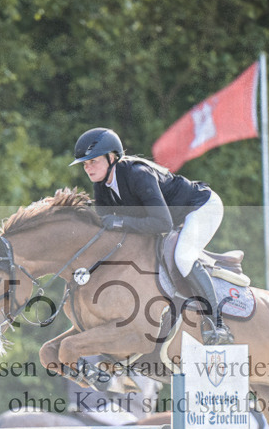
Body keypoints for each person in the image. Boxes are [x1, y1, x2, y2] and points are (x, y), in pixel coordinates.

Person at [70, 127, 233, 345]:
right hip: (172, 217)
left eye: (93, 161)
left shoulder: (139, 175)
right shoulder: (101, 185)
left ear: (112, 158)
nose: (88, 168)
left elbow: (162, 223)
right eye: (84, 164)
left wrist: (120, 221)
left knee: (183, 257)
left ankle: (217, 324)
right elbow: (105, 227)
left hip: (201, 207)